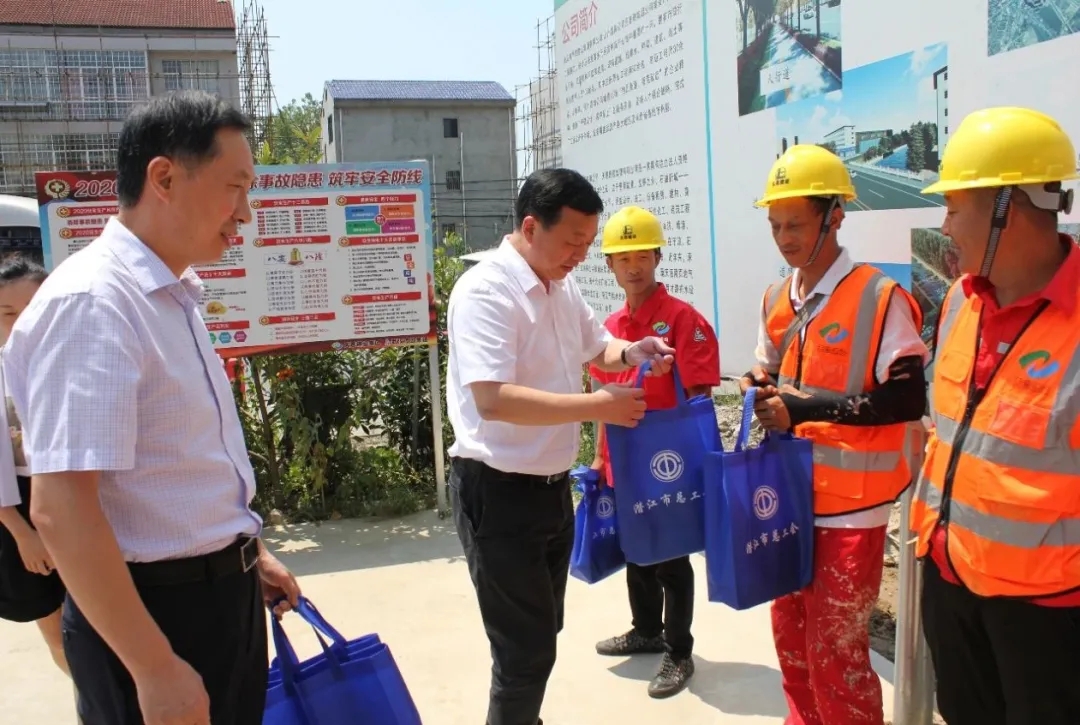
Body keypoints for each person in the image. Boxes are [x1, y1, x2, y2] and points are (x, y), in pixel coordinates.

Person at [3, 90, 301, 725]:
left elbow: (176, 468)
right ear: (163, 178)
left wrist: (245, 554)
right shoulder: (95, 303)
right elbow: (62, 508)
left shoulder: (169, 292)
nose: (245, 212)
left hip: (215, 600)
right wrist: (153, 667)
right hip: (155, 617)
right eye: (235, 187)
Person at [446, 169, 676, 725]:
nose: (581, 255)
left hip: (550, 490)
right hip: (498, 492)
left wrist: (635, 351)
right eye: (573, 241)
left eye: (588, 243)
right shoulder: (486, 291)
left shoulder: (560, 285)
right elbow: (493, 399)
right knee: (522, 654)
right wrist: (598, 406)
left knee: (542, 634)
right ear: (531, 227)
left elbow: (599, 348)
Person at [741, 144, 929, 725]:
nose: (784, 238)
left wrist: (806, 410)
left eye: (796, 224)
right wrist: (757, 386)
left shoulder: (879, 297)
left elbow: (906, 398)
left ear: (835, 216)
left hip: (852, 509)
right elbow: (770, 371)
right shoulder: (777, 299)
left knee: (837, 650)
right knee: (792, 640)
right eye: (775, 225)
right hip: (789, 498)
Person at [909, 106, 1080, 725]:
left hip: (1046, 611)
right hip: (950, 579)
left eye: (955, 208)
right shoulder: (960, 301)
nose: (945, 227)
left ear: (1008, 205)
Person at [588, 206, 720, 698]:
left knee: (670, 556)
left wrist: (699, 464)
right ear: (610, 265)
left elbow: (701, 398)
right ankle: (645, 629)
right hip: (624, 458)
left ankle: (679, 651)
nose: (634, 267)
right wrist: (600, 457)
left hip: (668, 463)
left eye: (642, 256)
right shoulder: (610, 328)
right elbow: (602, 398)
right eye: (623, 258)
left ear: (658, 257)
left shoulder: (683, 320)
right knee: (636, 550)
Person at [0, 257, 69, 676]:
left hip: (78, 495)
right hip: (19, 506)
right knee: (55, 625)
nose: (22, 322)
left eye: (33, 308)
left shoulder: (74, 361)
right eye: (8, 313)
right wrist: (22, 533)